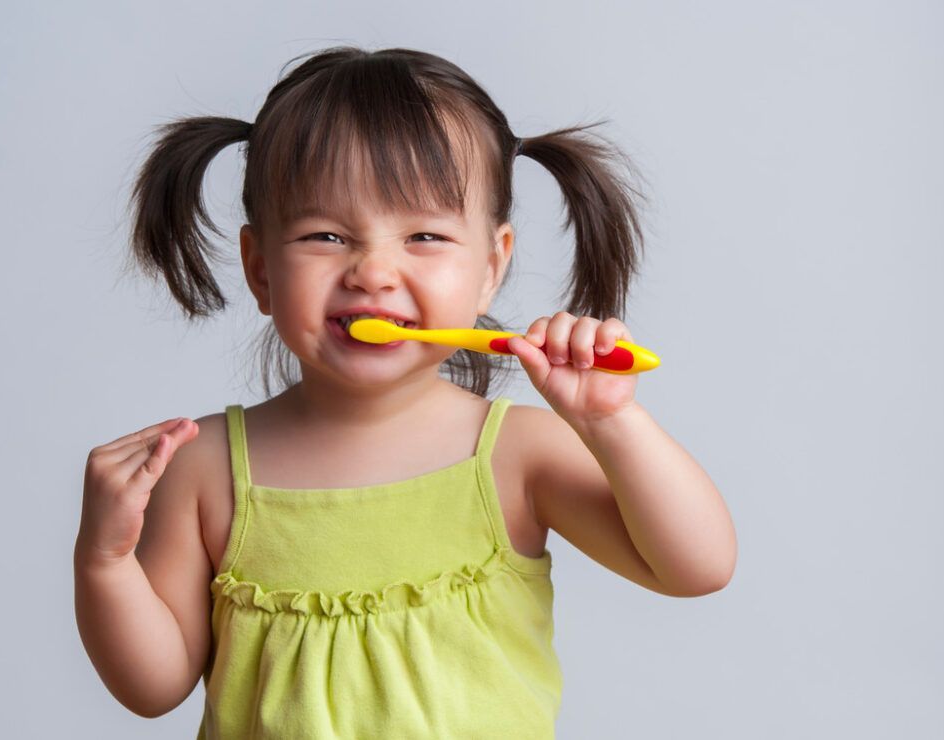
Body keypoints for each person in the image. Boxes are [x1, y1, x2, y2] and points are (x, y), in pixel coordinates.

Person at [73, 45, 737, 739]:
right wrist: (105, 560)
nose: (373, 271)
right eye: (325, 235)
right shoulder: (205, 467)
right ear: (260, 269)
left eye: (423, 235)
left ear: (490, 268)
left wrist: (613, 424)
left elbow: (697, 567)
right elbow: (152, 687)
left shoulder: (515, 455)